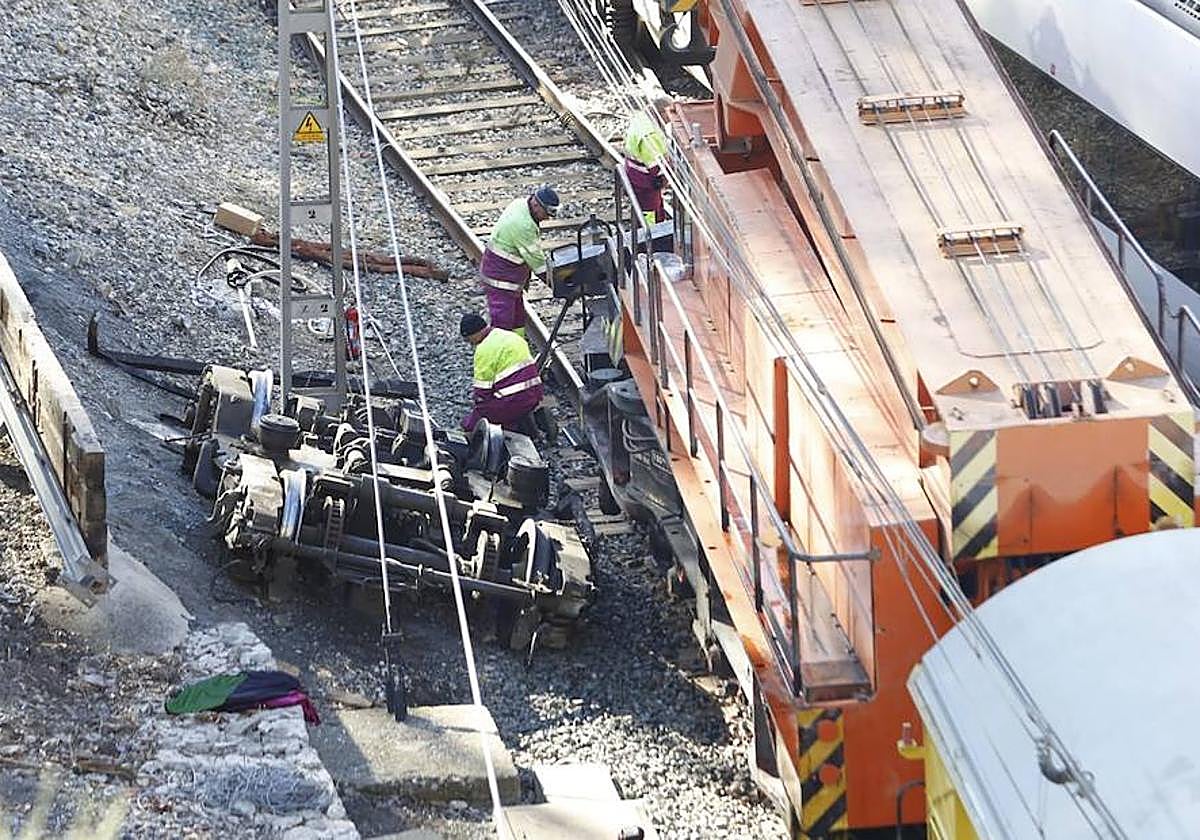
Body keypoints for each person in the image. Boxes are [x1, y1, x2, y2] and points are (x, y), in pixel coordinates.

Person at [478, 185, 561, 337]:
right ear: (536, 205)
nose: (547, 218)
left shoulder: (520, 204)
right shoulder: (523, 225)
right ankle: (503, 353)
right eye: (546, 213)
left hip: (508, 275)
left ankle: (518, 346)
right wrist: (560, 286)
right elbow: (538, 264)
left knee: (517, 319)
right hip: (501, 278)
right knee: (502, 323)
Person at [459, 313, 544, 432]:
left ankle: (510, 426)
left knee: (474, 421)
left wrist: (478, 406)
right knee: (505, 403)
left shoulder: (484, 349)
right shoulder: (509, 336)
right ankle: (524, 423)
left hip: (512, 401)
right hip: (534, 394)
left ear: (474, 334)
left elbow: (482, 391)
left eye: (468, 339)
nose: (470, 343)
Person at [623, 111, 669, 225]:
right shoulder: (650, 136)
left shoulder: (642, 119)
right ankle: (650, 238)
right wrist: (667, 177)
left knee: (647, 209)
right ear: (662, 113)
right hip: (646, 182)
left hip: (635, 174)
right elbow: (656, 168)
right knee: (650, 213)